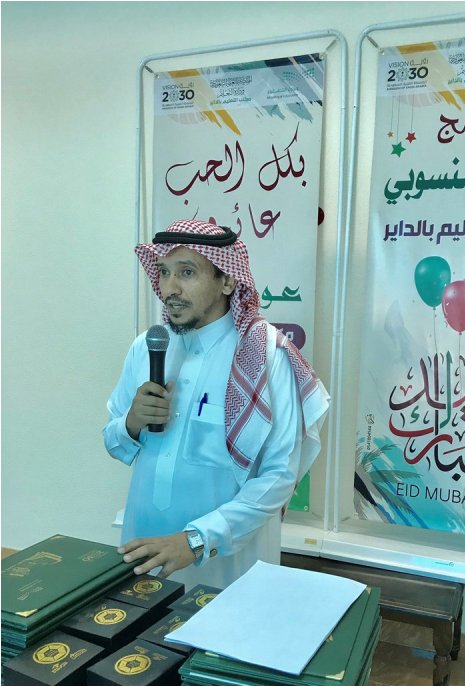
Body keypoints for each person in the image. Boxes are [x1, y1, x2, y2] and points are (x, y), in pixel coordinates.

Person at [103, 219, 329, 590]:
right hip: (141, 553)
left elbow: (278, 476)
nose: (170, 288)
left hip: (227, 570)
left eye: (187, 272)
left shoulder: (265, 356)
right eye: (164, 272)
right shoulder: (147, 347)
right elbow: (113, 442)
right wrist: (130, 422)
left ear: (227, 281)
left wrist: (196, 540)